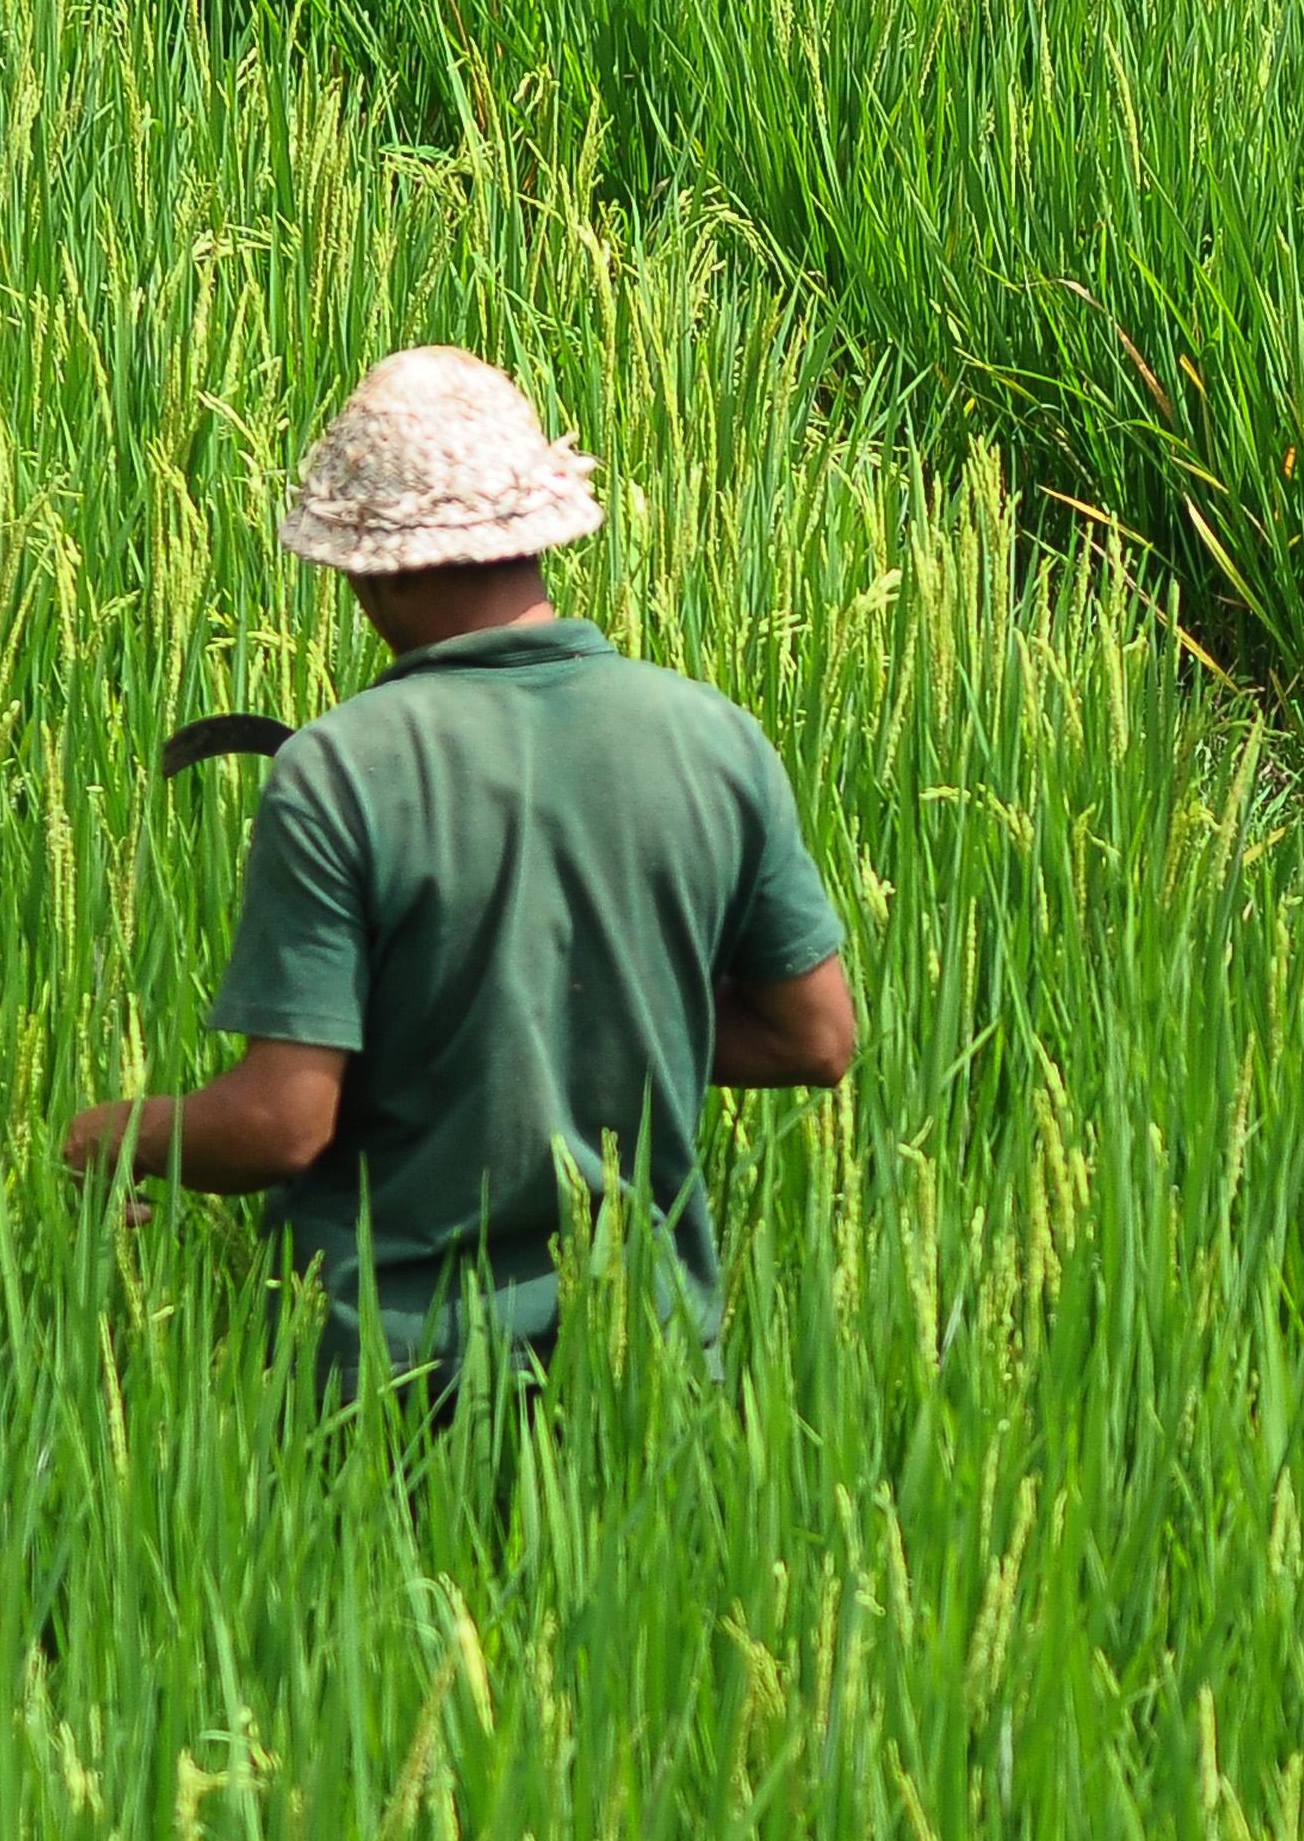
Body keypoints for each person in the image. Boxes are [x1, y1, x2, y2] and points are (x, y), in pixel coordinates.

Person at [59, 346, 857, 1398]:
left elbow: (282, 1121)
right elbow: (817, 1035)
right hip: (644, 1376)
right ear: (533, 538)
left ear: (367, 563)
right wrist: (578, 1029)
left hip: (386, 1393)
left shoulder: (341, 770)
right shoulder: (715, 738)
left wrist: (114, 1135)